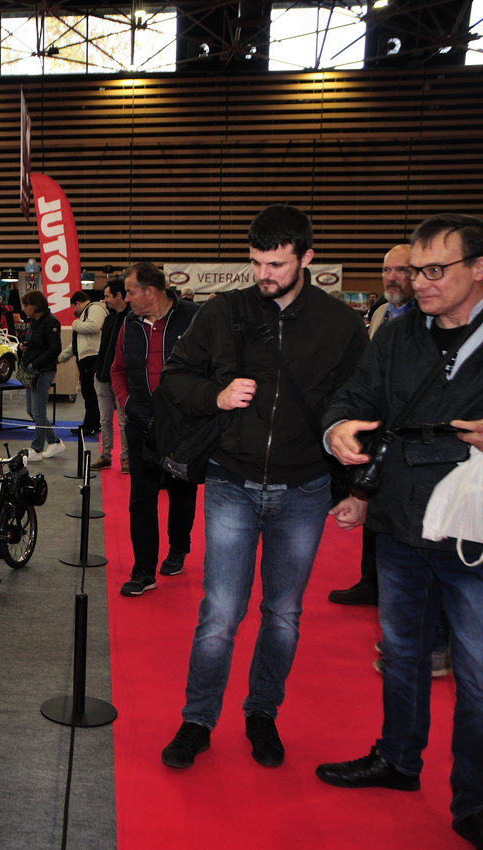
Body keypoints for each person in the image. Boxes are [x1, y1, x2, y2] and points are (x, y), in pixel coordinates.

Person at [156, 204, 368, 770]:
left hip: (305, 490)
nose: (263, 274)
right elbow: (175, 378)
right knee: (220, 613)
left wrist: (357, 490)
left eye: (276, 264)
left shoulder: (341, 326)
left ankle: (262, 713)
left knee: (283, 614)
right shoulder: (224, 311)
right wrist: (217, 396)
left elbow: (360, 407)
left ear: (307, 258)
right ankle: (197, 720)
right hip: (232, 480)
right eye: (255, 262)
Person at [315, 214, 483, 849]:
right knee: (402, 653)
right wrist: (338, 427)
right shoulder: (398, 331)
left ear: (479, 268)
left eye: (437, 269)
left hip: (473, 532)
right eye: (417, 270)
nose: (422, 281)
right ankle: (397, 758)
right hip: (401, 520)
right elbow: (356, 396)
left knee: (478, 675)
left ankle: (475, 800)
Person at [328, 244, 415, 607]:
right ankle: (370, 582)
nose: (392, 278)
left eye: (402, 270)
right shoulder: (381, 312)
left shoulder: (426, 318)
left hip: (408, 436)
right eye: (387, 270)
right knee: (369, 500)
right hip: (374, 428)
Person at [110, 262, 201, 596]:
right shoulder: (129, 323)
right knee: (142, 498)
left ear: (151, 291)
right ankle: (143, 571)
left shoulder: (193, 317)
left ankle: (178, 547)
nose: (126, 298)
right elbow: (117, 369)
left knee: (182, 490)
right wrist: (127, 403)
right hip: (141, 423)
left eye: (130, 292)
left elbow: (213, 367)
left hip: (182, 425)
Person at [18, 290, 64, 461]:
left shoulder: (51, 322)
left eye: (26, 305)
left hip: (43, 371)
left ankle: (37, 449)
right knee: (32, 410)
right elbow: (37, 344)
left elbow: (55, 349)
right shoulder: (35, 321)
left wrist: (34, 365)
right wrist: (24, 346)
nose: (24, 308)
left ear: (36, 305)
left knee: (38, 411)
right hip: (33, 371)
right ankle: (54, 441)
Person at [91, 277, 129, 473]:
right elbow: (103, 347)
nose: (104, 300)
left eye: (107, 296)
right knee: (105, 420)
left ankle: (126, 458)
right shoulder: (109, 318)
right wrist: (97, 369)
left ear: (118, 295)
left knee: (124, 421)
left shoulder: (132, 319)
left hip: (122, 379)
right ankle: (105, 456)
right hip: (102, 377)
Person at [58, 290, 107, 436]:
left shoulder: (94, 308)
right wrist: (61, 357)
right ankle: (95, 423)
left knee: (90, 392)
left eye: (74, 307)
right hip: (88, 357)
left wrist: (75, 324)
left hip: (92, 357)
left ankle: (89, 425)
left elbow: (94, 326)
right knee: (89, 392)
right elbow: (76, 344)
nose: (74, 311)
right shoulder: (87, 314)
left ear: (78, 303)